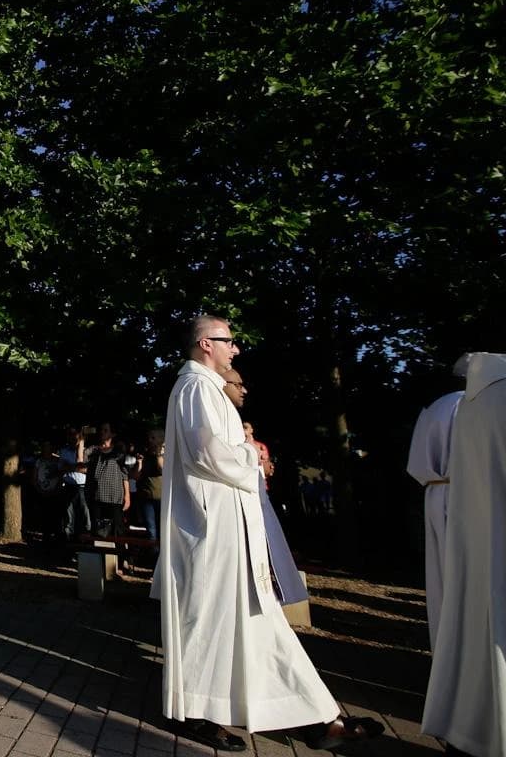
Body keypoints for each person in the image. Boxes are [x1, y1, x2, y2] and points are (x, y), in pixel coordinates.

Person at [152, 315, 381, 752]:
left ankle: (315, 718)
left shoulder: (205, 388)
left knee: (254, 623)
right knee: (213, 620)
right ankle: (196, 711)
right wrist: (251, 455)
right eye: (229, 341)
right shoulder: (198, 388)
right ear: (205, 344)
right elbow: (208, 455)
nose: (235, 349)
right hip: (213, 528)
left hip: (226, 525)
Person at [421, 351, 506, 757]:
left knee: (454, 592)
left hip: (447, 496)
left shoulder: (459, 404)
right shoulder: (493, 396)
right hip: (469, 499)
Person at [221, 367, 307, 607]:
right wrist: (249, 450)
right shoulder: (222, 420)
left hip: (258, 496)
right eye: (238, 384)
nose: (243, 389)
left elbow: (263, 465)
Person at [404, 355, 467, 649]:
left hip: (434, 491)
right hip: (465, 493)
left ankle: (446, 643)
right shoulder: (472, 405)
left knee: (442, 574)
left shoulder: (434, 407)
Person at [86, 423, 129, 539]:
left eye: (106, 430)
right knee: (98, 531)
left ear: (112, 434)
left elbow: (124, 474)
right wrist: (80, 441)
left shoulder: (119, 449)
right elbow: (81, 459)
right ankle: (101, 555)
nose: (102, 432)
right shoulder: (94, 450)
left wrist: (127, 496)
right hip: (97, 495)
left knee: (117, 531)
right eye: (101, 430)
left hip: (114, 496)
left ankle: (121, 556)